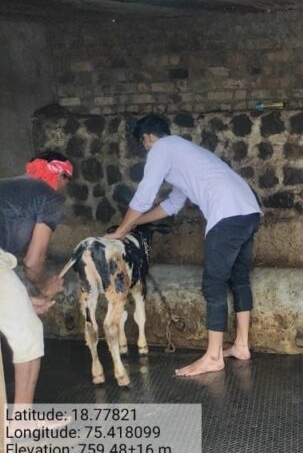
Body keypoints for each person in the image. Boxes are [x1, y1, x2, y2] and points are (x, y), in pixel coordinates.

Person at [108, 114, 261, 377]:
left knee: (213, 286)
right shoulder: (185, 154)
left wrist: (121, 231)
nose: (146, 150)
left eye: (143, 145)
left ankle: (213, 357)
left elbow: (144, 196)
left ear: (147, 137)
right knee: (239, 279)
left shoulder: (162, 149)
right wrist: (135, 224)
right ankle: (241, 346)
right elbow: (172, 205)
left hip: (226, 215)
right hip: (249, 210)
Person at [0, 151, 73, 409]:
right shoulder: (48, 196)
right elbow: (33, 261)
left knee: (22, 321)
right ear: (61, 175)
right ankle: (23, 420)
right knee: (29, 333)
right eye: (68, 181)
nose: (66, 188)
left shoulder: (10, 187)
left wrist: (24, 299)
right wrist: (44, 285)